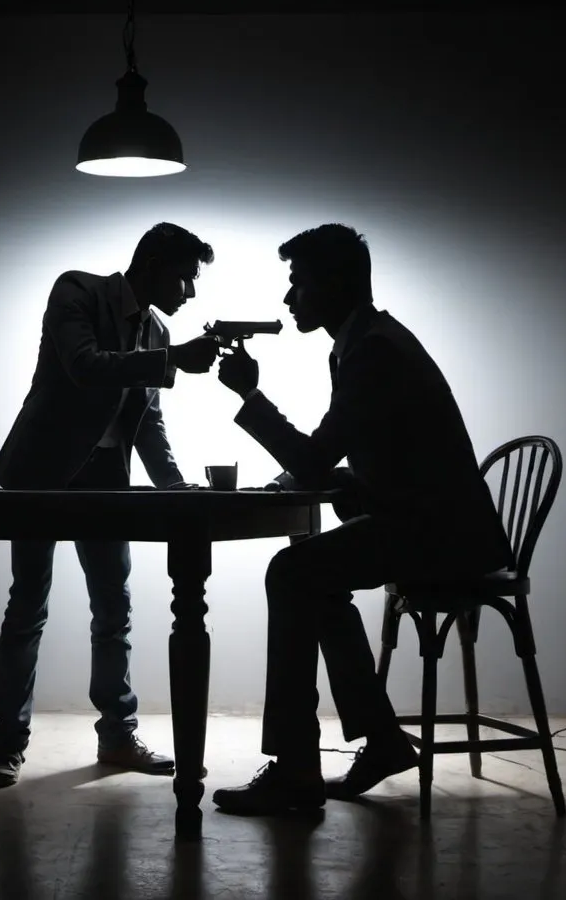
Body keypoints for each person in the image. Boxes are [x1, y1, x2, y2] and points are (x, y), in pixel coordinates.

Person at [210, 223, 514, 815]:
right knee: (310, 579)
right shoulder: (363, 341)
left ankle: (301, 769)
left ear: (335, 284)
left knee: (292, 572)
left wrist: (250, 398)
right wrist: (343, 479)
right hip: (435, 525)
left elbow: (316, 456)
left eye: (298, 283)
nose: (288, 298)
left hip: (442, 538)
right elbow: (378, 454)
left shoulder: (371, 349)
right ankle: (376, 741)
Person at [0, 222, 220, 787]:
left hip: (106, 480)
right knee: (27, 609)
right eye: (186, 277)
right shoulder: (76, 291)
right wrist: (169, 361)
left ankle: (117, 735)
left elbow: (148, 423)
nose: (190, 292)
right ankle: (8, 745)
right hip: (42, 474)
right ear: (155, 260)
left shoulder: (158, 331)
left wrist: (173, 487)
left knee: (114, 610)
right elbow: (85, 366)